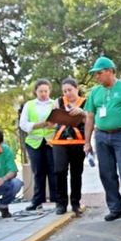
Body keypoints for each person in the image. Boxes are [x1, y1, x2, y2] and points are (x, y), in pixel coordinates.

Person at [83, 56, 121, 223]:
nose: (97, 77)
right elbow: (89, 117)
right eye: (95, 74)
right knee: (107, 174)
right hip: (101, 136)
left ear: (110, 71)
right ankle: (116, 209)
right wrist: (87, 142)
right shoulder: (95, 92)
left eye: (99, 73)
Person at [49, 77, 87, 216]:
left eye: (70, 90)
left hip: (78, 141)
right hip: (60, 141)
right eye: (65, 91)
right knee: (60, 171)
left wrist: (81, 113)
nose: (67, 93)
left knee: (76, 173)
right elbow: (52, 122)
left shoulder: (85, 102)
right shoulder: (58, 102)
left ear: (76, 89)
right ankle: (61, 203)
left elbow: (90, 120)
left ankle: (75, 203)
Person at [19, 78, 58, 211]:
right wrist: (37, 125)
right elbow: (23, 124)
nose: (43, 94)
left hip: (52, 141)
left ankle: (56, 199)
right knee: (38, 171)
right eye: (40, 91)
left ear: (49, 91)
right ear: (36, 91)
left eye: (46, 91)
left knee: (54, 170)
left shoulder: (55, 104)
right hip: (34, 142)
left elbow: (61, 121)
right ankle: (37, 200)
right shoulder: (29, 105)